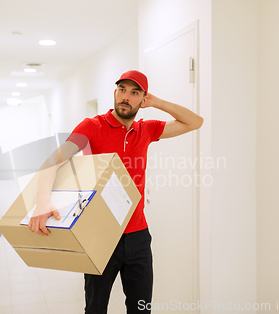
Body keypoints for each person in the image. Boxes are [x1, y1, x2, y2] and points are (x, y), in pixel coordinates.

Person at [28, 70, 203, 313]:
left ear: (143, 99)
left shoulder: (147, 130)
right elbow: (52, 162)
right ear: (115, 92)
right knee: (96, 308)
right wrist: (42, 202)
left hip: (138, 235)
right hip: (100, 235)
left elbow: (195, 122)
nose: (126, 97)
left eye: (134, 93)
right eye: (122, 90)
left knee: (141, 309)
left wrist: (158, 103)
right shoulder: (91, 126)